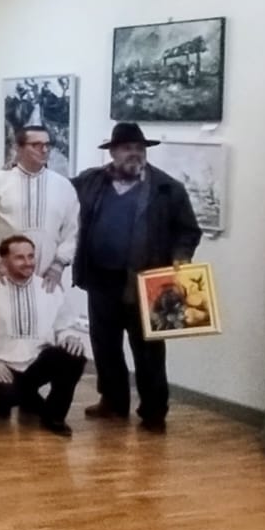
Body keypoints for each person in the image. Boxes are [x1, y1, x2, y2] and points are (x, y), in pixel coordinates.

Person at [72, 121, 203, 433]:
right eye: (127, 148)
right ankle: (113, 401)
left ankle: (154, 411)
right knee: (105, 345)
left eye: (139, 148)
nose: (134, 153)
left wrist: (181, 256)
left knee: (148, 350)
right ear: (113, 152)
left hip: (149, 281)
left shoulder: (167, 188)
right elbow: (59, 191)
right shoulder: (91, 181)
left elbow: (188, 231)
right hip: (101, 279)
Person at [0, 234, 90, 437]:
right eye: (20, 257)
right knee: (4, 399)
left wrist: (69, 337)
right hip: (3, 365)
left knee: (74, 357)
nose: (28, 262)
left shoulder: (49, 289)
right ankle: (7, 395)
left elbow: (63, 326)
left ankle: (54, 417)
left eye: (31, 256)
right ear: (4, 261)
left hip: (37, 363)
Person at [0, 125, 79, 289]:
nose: (44, 150)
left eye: (47, 145)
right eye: (36, 145)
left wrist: (58, 265)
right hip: (3, 274)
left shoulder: (63, 186)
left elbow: (72, 231)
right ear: (18, 148)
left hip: (47, 278)